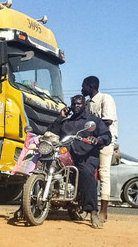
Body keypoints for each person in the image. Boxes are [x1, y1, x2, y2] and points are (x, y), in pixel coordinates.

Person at [48, 95, 110, 228]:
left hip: (86, 155)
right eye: (74, 104)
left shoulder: (93, 121)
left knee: (87, 173)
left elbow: (106, 136)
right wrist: (61, 117)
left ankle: (93, 212)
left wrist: (97, 140)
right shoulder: (67, 122)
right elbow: (51, 132)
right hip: (68, 154)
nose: (76, 106)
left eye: (79, 104)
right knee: (45, 163)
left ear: (85, 105)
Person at [81, 76, 118, 222]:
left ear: (90, 86)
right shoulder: (88, 103)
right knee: (87, 172)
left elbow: (107, 120)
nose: (81, 89)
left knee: (103, 173)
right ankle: (87, 206)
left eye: (83, 86)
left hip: (105, 141)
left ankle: (103, 210)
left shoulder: (105, 98)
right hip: (91, 141)